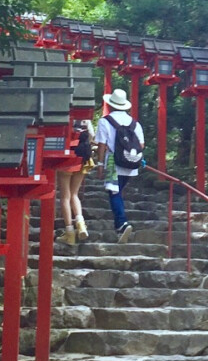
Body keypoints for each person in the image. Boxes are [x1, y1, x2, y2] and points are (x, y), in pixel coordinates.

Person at [94, 87, 144, 244]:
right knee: (118, 190)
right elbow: (141, 144)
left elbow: (101, 145)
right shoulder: (135, 123)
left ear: (111, 104)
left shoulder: (105, 121)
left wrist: (100, 164)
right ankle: (119, 226)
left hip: (112, 162)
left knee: (114, 193)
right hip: (130, 163)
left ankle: (122, 224)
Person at [57, 119, 95, 248]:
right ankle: (81, 223)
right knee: (74, 194)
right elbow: (91, 136)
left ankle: (69, 232)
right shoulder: (86, 119)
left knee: (65, 196)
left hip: (66, 157)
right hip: (82, 158)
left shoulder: (64, 117)